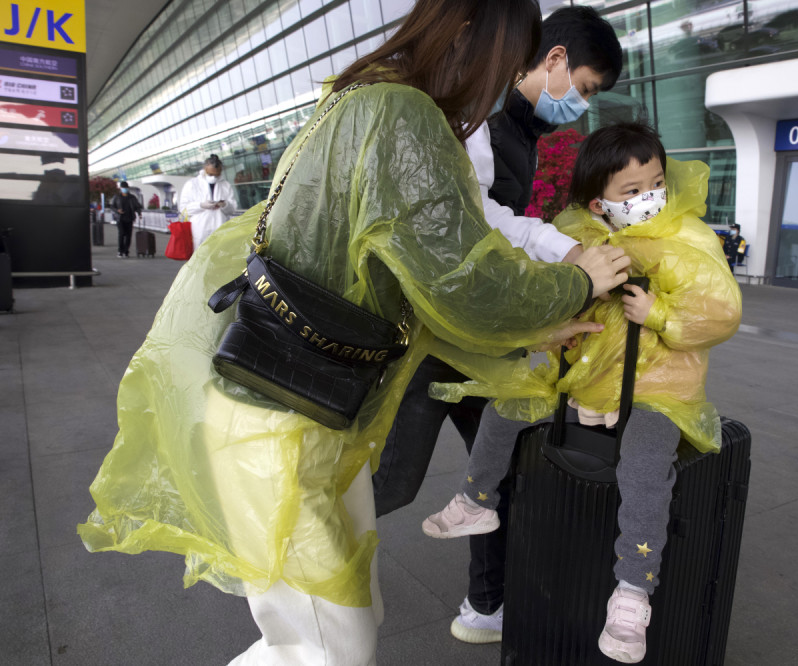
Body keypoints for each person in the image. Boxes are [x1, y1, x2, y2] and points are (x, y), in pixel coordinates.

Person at [77, 2, 630, 664]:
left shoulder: (360, 97)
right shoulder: (406, 118)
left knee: (342, 624)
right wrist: (577, 281)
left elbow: (424, 296)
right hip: (282, 422)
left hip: (292, 407)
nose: (501, 84)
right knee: (328, 646)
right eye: (507, 60)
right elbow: (462, 283)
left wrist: (536, 324)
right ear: (472, 40)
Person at [423, 123, 742, 663]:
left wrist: (658, 312)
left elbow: (721, 310)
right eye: (632, 191)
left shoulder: (685, 238)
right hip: (581, 376)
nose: (650, 198)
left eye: (656, 183)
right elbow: (552, 286)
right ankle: (477, 500)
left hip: (654, 391)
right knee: (505, 409)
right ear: (599, 203)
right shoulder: (582, 236)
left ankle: (632, 592)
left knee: (643, 470)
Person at [372, 6, 624, 644]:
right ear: (553, 58)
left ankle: (485, 607)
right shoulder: (467, 110)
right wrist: (562, 264)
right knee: (392, 478)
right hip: (436, 330)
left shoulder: (520, 124)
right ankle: (301, 560)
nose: (582, 107)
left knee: (501, 466)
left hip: (475, 329)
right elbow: (474, 220)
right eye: (586, 89)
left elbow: (490, 220)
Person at [178, 153, 237, 248]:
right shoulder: (192, 184)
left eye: (217, 175)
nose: (214, 177)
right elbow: (183, 209)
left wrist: (225, 205)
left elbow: (232, 209)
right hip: (200, 230)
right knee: (200, 257)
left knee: (220, 256)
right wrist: (201, 205)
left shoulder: (225, 185)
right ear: (205, 169)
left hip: (220, 227)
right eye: (210, 174)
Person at [109, 181, 143, 258]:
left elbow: (137, 206)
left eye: (126, 188)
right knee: (121, 234)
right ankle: (120, 251)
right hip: (120, 219)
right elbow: (112, 206)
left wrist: (139, 213)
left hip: (129, 218)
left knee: (128, 236)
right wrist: (117, 211)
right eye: (123, 188)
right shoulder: (117, 197)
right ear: (120, 188)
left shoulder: (132, 197)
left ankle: (126, 251)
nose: (125, 189)